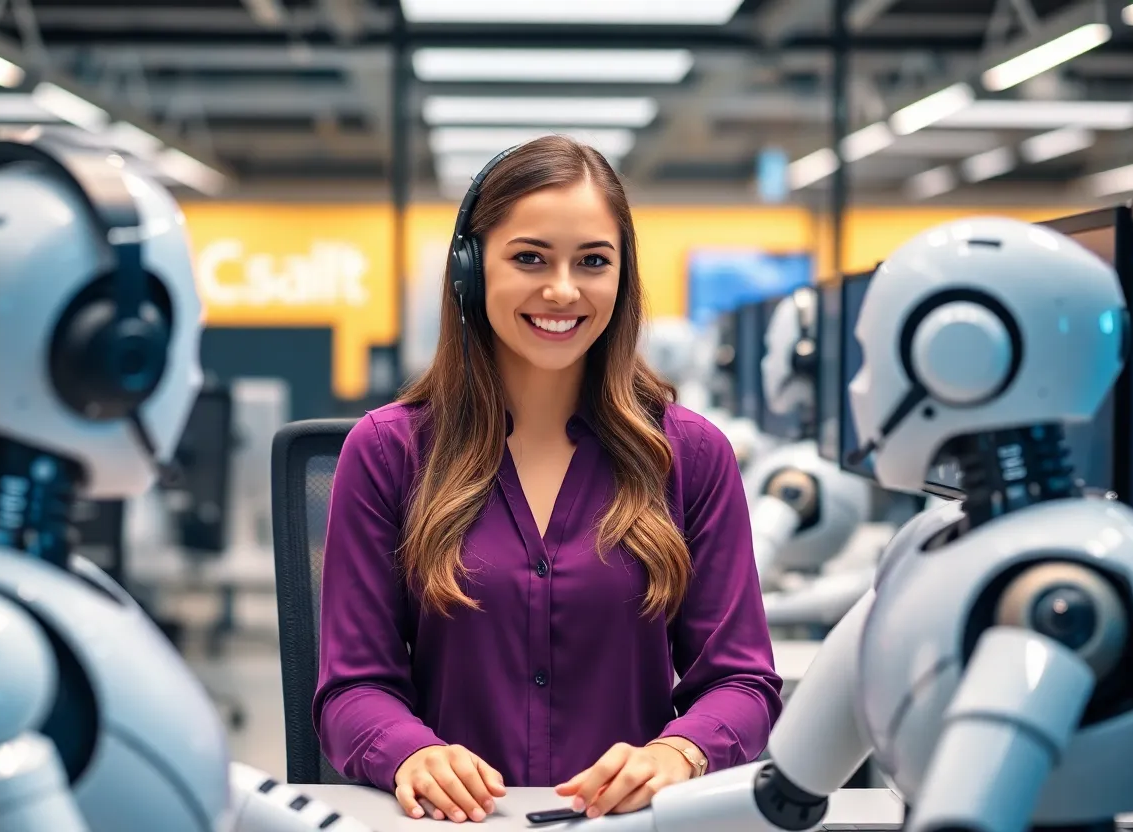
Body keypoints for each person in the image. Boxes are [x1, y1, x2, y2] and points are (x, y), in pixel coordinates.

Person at [314, 135, 783, 823]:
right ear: (470, 272)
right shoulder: (388, 452)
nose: (563, 290)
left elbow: (741, 681)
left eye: (593, 262)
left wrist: (678, 753)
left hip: (626, 824)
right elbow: (351, 688)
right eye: (530, 257)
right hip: (457, 825)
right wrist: (409, 751)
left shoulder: (690, 456)